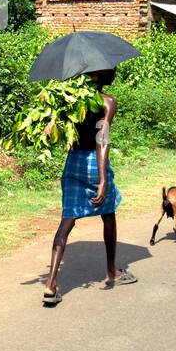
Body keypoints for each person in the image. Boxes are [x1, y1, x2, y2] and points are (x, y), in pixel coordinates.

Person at [42, 68, 135, 305]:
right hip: (95, 163)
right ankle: (112, 271)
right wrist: (103, 180)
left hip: (73, 162)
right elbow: (101, 140)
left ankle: (51, 283)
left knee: (67, 220)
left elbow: (55, 132)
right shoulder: (107, 102)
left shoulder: (68, 102)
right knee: (108, 214)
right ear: (104, 77)